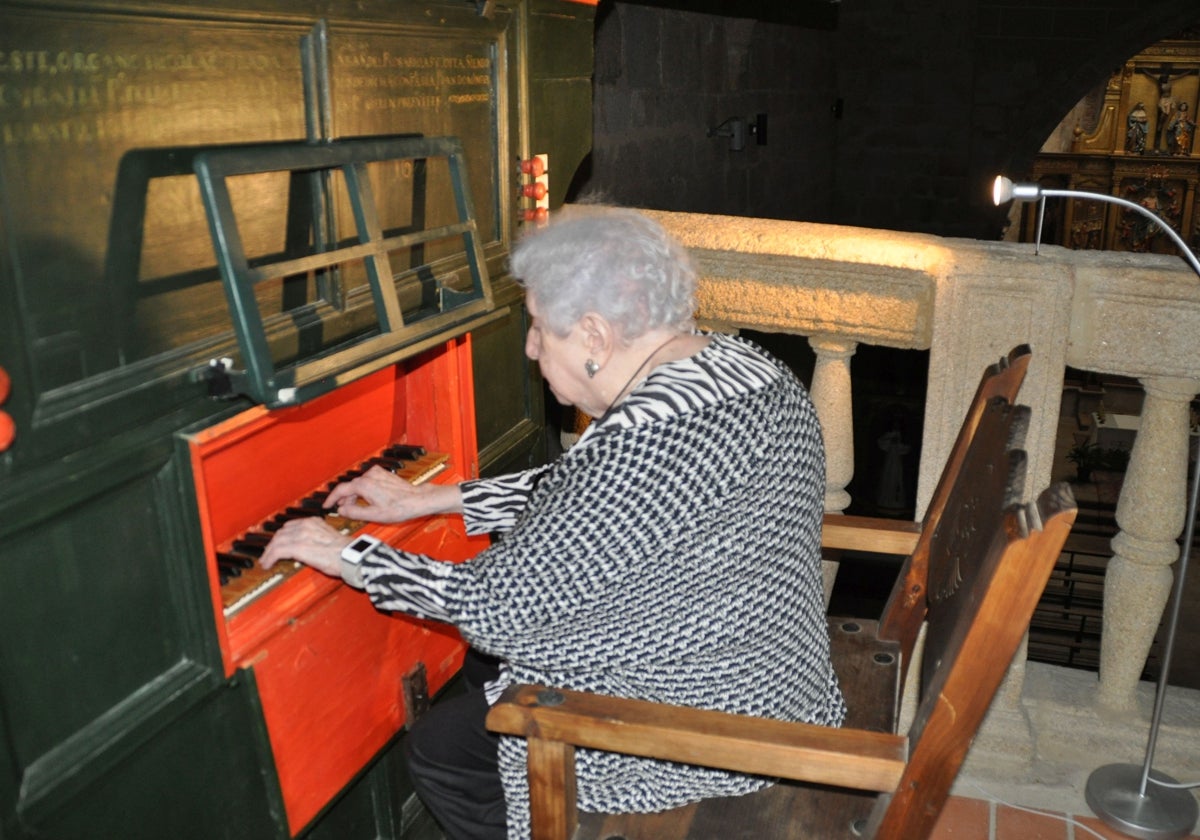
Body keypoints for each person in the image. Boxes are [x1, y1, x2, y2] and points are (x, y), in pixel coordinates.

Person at [260, 207, 845, 839]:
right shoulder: (747, 370)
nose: (532, 346)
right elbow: (589, 498)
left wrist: (347, 555)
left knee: (443, 749)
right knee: (493, 671)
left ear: (595, 337)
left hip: (707, 732)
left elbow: (494, 605)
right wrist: (433, 501)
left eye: (539, 327)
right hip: (773, 672)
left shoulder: (644, 445)